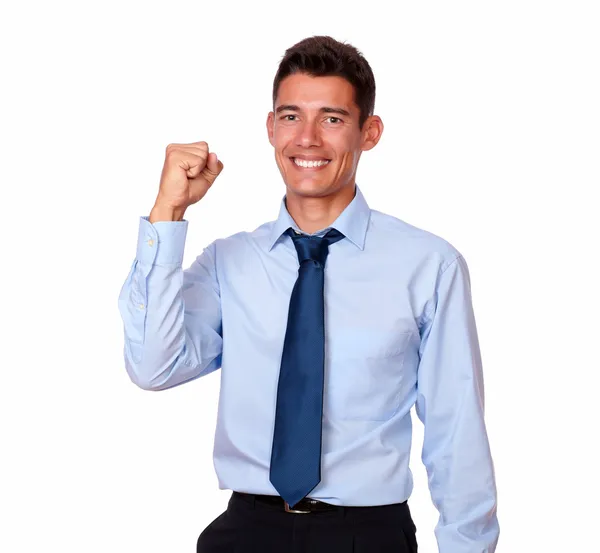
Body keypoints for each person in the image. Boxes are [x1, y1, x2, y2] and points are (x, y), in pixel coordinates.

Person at [118, 35, 499, 553]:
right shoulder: (230, 262)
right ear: (271, 127)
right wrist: (168, 212)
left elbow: (456, 431)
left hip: (369, 535)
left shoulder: (428, 265)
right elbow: (153, 366)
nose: (308, 138)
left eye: (333, 119)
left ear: (370, 132)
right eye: (292, 116)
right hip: (245, 533)